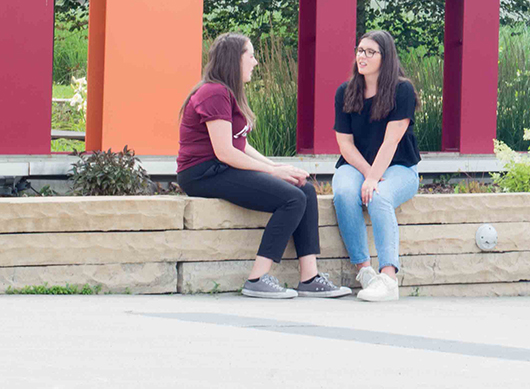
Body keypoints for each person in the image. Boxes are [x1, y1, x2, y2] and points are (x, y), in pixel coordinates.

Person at [176, 33, 350, 299]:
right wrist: (273, 172)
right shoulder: (213, 93)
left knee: (304, 190)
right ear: (235, 60)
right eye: (251, 55)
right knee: (291, 198)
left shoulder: (227, 93)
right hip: (203, 173)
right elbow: (225, 152)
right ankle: (257, 278)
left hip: (221, 168)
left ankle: (310, 277)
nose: (256, 62)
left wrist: (278, 167)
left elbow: (242, 146)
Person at [331, 30, 423, 302]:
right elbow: (345, 145)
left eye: (370, 52)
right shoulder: (345, 92)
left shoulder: (401, 90)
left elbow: (391, 141)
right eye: (360, 50)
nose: (363, 56)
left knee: (379, 197)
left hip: (399, 166)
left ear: (386, 57)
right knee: (345, 193)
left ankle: (388, 279)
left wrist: (373, 179)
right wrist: (366, 174)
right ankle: (366, 272)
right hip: (355, 163)